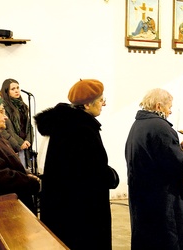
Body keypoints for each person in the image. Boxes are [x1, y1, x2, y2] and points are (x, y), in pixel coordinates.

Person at [34, 79, 119, 250]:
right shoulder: (82, 129)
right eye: (101, 100)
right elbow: (95, 170)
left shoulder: (62, 124)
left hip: (64, 205)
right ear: (87, 104)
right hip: (83, 210)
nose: (104, 103)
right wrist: (113, 177)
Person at [125, 88, 183, 250]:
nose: (170, 111)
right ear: (158, 106)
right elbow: (179, 166)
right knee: (168, 241)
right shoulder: (160, 127)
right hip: (163, 201)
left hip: (143, 200)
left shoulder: (138, 125)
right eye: (169, 107)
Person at [0, 95, 40, 214]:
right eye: (1, 111)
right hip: (7, 211)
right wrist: (29, 181)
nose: (5, 117)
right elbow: (1, 177)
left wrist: (26, 173)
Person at [0, 78, 34, 170]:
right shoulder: (3, 107)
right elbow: (4, 130)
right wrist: (20, 143)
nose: (16, 90)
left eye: (17, 88)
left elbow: (29, 126)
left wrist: (28, 141)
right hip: (13, 146)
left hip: (25, 146)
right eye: (13, 89)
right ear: (6, 91)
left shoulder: (23, 106)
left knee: (26, 171)